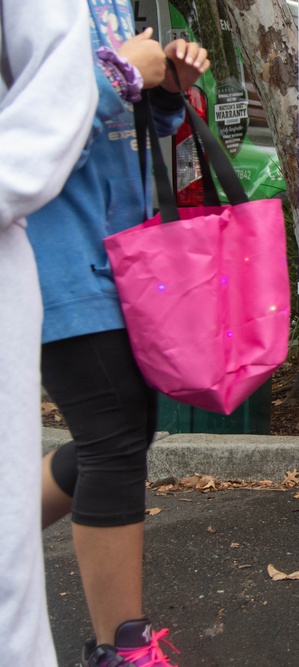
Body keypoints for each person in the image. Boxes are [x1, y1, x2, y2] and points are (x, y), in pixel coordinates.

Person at [27, 2, 209, 664]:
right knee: (112, 429)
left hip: (123, 251)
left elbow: (115, 127)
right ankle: (121, 648)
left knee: (124, 427)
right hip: (54, 249)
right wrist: (119, 73)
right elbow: (28, 125)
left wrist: (164, 93)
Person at [0, 1, 97, 663]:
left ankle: (123, 638)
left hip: (96, 257)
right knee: (109, 442)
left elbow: (64, 88)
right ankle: (123, 642)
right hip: (74, 262)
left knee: (115, 440)